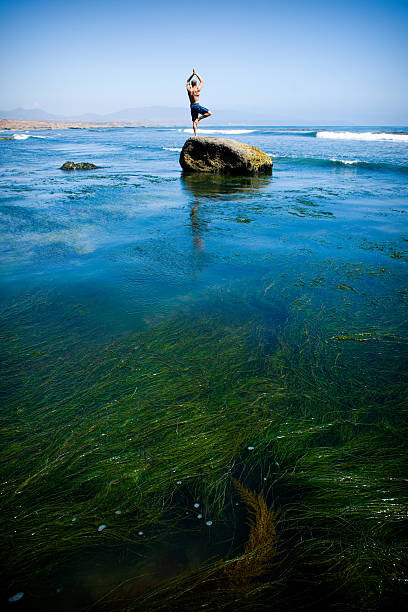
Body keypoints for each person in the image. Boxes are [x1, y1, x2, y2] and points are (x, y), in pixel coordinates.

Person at [186, 69, 212, 136]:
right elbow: (202, 81)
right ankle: (199, 119)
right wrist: (196, 74)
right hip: (197, 105)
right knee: (209, 113)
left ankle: (195, 135)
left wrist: (192, 74)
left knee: (194, 121)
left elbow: (187, 81)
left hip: (192, 106)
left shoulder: (189, 90)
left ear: (191, 84)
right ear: (196, 84)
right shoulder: (198, 89)